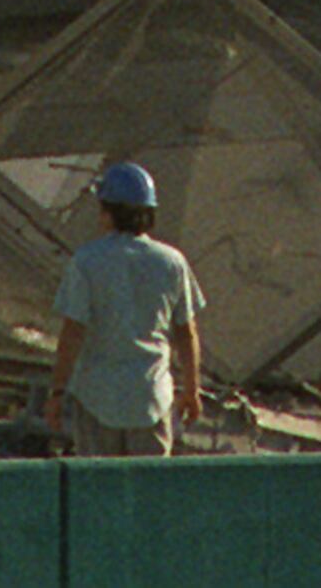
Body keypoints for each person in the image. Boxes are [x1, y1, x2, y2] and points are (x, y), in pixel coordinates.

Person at [47, 161, 205, 458]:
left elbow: (73, 333)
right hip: (151, 399)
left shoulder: (86, 261)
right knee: (148, 497)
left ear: (108, 212)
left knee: (99, 493)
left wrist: (57, 392)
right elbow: (186, 332)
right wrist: (191, 389)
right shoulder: (172, 262)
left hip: (97, 399)